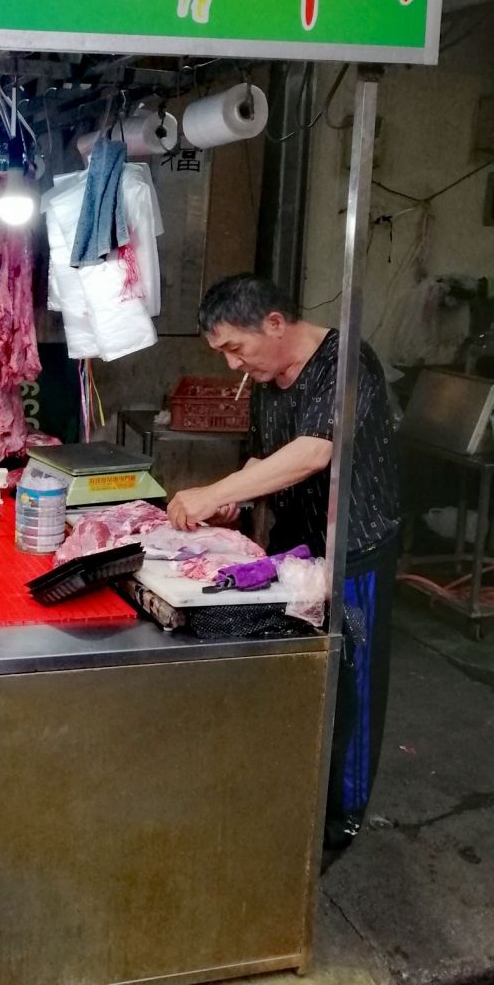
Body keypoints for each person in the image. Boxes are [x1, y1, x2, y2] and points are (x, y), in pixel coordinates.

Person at [167, 274, 400, 856]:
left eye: (235, 348)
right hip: (295, 549)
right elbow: (266, 460)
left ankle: (340, 822)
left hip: (353, 552)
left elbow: (315, 451)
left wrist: (213, 490)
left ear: (274, 323)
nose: (233, 365)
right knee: (298, 676)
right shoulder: (267, 377)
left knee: (352, 683)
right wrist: (235, 501)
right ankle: (291, 795)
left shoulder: (346, 363)